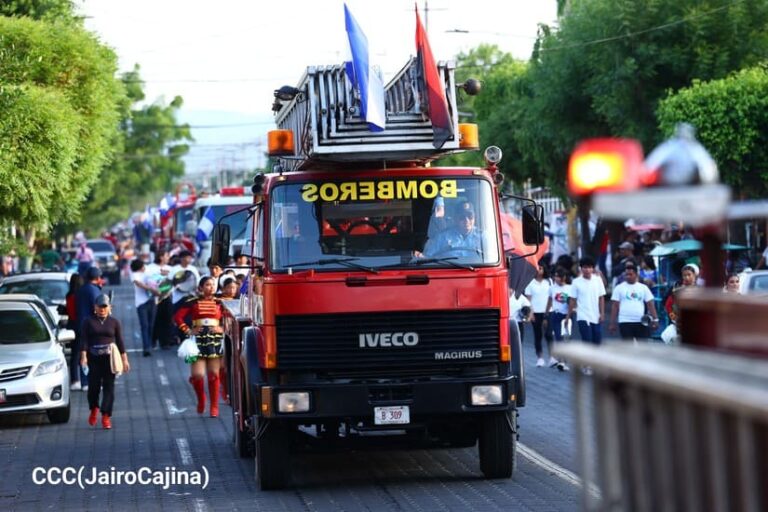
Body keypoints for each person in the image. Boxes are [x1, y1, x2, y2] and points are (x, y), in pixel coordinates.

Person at [173, 276, 233, 417]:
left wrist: (222, 328)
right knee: (197, 375)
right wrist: (188, 330)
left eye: (213, 285)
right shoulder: (192, 302)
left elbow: (230, 318)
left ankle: (214, 406)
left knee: (214, 375)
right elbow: (178, 317)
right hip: (197, 340)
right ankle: (201, 400)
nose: (211, 287)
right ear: (200, 287)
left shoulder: (221, 302)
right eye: (207, 284)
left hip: (214, 340)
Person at [79, 294, 130, 429]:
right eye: (99, 307)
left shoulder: (114, 322)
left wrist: (125, 360)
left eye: (105, 307)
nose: (102, 309)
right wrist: (83, 356)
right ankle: (94, 408)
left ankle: (106, 415)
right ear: (94, 307)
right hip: (93, 358)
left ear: (109, 307)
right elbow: (84, 340)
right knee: (93, 387)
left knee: (109, 387)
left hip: (109, 358)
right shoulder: (88, 322)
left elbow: (120, 342)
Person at [609, 263, 659, 340]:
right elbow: (615, 306)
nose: (628, 276)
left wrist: (655, 319)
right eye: (626, 274)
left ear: (636, 275)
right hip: (625, 321)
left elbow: (650, 304)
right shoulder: (619, 288)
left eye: (630, 274)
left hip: (641, 321)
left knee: (643, 345)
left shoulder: (643, 288)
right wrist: (612, 323)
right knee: (628, 346)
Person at [75, 267, 104, 390]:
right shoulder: (94, 290)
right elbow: (98, 308)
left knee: (84, 353)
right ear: (97, 278)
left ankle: (85, 381)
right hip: (93, 326)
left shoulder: (81, 290)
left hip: (81, 325)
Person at [567, 256, 606, 345]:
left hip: (596, 316)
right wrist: (568, 316)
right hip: (583, 316)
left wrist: (602, 313)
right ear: (581, 268)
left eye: (589, 267)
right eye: (585, 267)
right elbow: (572, 300)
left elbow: (601, 298)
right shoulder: (576, 282)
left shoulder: (598, 280)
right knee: (587, 341)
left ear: (593, 268)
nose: (587, 270)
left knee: (597, 342)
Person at [524, 264, 555, 367]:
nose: (538, 270)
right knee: (538, 335)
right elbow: (528, 300)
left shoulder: (549, 281)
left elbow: (552, 297)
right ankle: (540, 358)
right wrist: (530, 313)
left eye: (540, 268)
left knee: (549, 334)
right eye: (537, 268)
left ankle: (552, 357)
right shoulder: (530, 282)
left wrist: (549, 311)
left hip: (548, 311)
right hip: (536, 312)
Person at [131, 259, 160, 357]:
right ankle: (146, 348)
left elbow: (157, 277)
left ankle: (150, 344)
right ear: (139, 268)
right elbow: (138, 284)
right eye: (143, 266)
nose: (144, 267)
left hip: (152, 301)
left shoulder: (148, 271)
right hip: (141, 303)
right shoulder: (135, 275)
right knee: (144, 325)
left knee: (151, 325)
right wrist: (151, 289)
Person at [546, 268, 572, 371]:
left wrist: (568, 317)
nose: (555, 278)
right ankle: (561, 361)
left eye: (558, 276)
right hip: (556, 315)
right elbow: (549, 301)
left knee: (566, 338)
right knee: (558, 337)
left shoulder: (570, 288)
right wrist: (546, 314)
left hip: (567, 316)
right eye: (555, 276)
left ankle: (565, 360)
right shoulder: (552, 288)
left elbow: (572, 304)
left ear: (563, 277)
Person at [66, 273, 84, 390]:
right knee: (82, 353)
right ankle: (83, 379)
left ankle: (74, 379)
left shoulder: (69, 295)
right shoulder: (79, 296)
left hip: (72, 325)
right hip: (79, 326)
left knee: (75, 354)